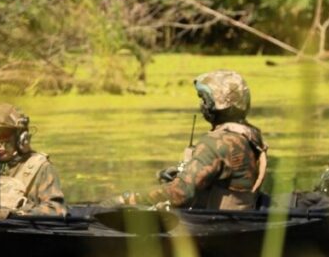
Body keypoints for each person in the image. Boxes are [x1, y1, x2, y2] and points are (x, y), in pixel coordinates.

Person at [115, 70, 268, 210]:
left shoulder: (216, 143)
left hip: (213, 226)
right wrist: (180, 174)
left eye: (204, 99)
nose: (202, 105)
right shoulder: (250, 134)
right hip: (240, 216)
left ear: (213, 105)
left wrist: (130, 198)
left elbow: (180, 194)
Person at [0, 103, 67, 217]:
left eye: (3, 137)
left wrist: (14, 214)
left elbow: (56, 210)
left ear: (21, 138)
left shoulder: (40, 167)